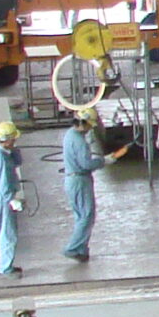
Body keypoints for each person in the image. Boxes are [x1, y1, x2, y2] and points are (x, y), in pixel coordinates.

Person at [58, 107, 130, 262]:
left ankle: (81, 249)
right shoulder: (79, 141)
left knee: (80, 216)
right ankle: (72, 248)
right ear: (84, 123)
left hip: (72, 180)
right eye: (90, 125)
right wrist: (103, 161)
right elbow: (86, 164)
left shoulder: (70, 134)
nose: (90, 128)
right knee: (86, 216)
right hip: (80, 180)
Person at [0, 121, 23, 275]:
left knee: (7, 232)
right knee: (7, 234)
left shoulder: (4, 153)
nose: (15, 141)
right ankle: (5, 267)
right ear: (7, 140)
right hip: (3, 198)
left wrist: (15, 150)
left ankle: (7, 265)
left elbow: (18, 162)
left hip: (2, 197)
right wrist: (11, 199)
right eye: (13, 139)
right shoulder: (0, 158)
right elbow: (3, 182)